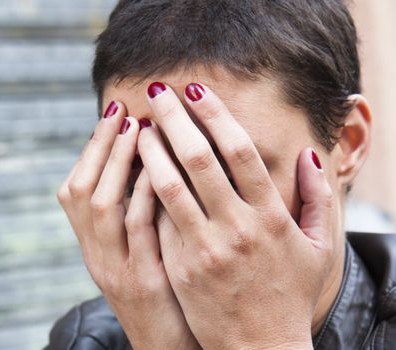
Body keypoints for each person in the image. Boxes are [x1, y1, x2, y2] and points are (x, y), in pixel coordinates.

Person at [46, 0, 396, 349]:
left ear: (348, 142)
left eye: (227, 178)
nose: (194, 248)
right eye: (140, 179)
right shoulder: (86, 340)